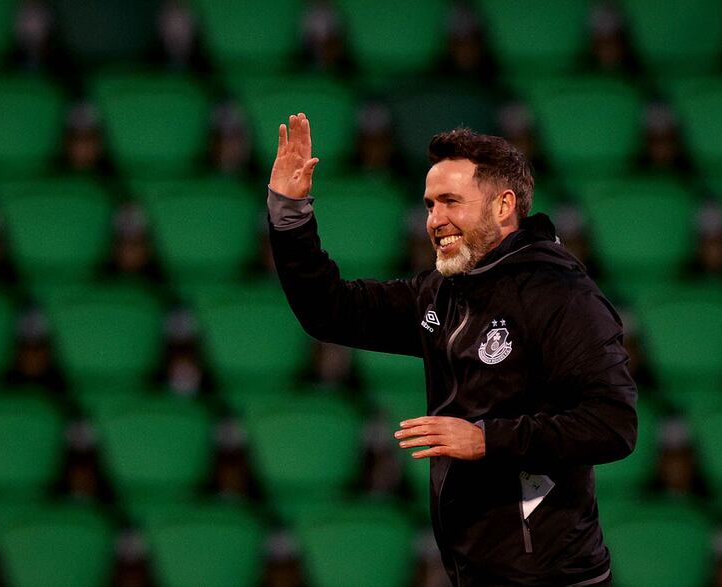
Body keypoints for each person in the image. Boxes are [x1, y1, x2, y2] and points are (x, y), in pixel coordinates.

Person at [267, 113, 637, 586]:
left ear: (504, 206)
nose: (434, 220)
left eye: (450, 202)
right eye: (428, 205)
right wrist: (290, 212)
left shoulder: (563, 296)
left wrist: (487, 439)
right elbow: (330, 311)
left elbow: (613, 424)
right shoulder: (442, 293)